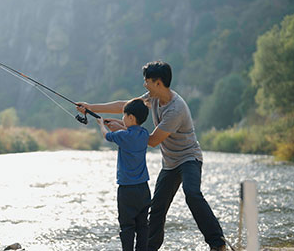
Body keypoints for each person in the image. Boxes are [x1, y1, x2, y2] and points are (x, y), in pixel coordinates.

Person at [77, 61, 226, 251]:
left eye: (146, 81)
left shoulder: (176, 109)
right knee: (156, 209)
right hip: (170, 162)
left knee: (192, 193)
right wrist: (92, 107)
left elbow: (152, 140)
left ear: (158, 83)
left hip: (189, 158)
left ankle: (217, 243)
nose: (144, 85)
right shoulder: (152, 97)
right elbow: (126, 107)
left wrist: (123, 130)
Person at [95, 98, 151, 251]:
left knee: (127, 226)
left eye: (124, 116)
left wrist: (101, 124)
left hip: (127, 190)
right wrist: (115, 123)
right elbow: (129, 131)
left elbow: (107, 135)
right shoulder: (145, 134)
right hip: (144, 189)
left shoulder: (122, 136)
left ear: (131, 117)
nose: (122, 118)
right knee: (142, 225)